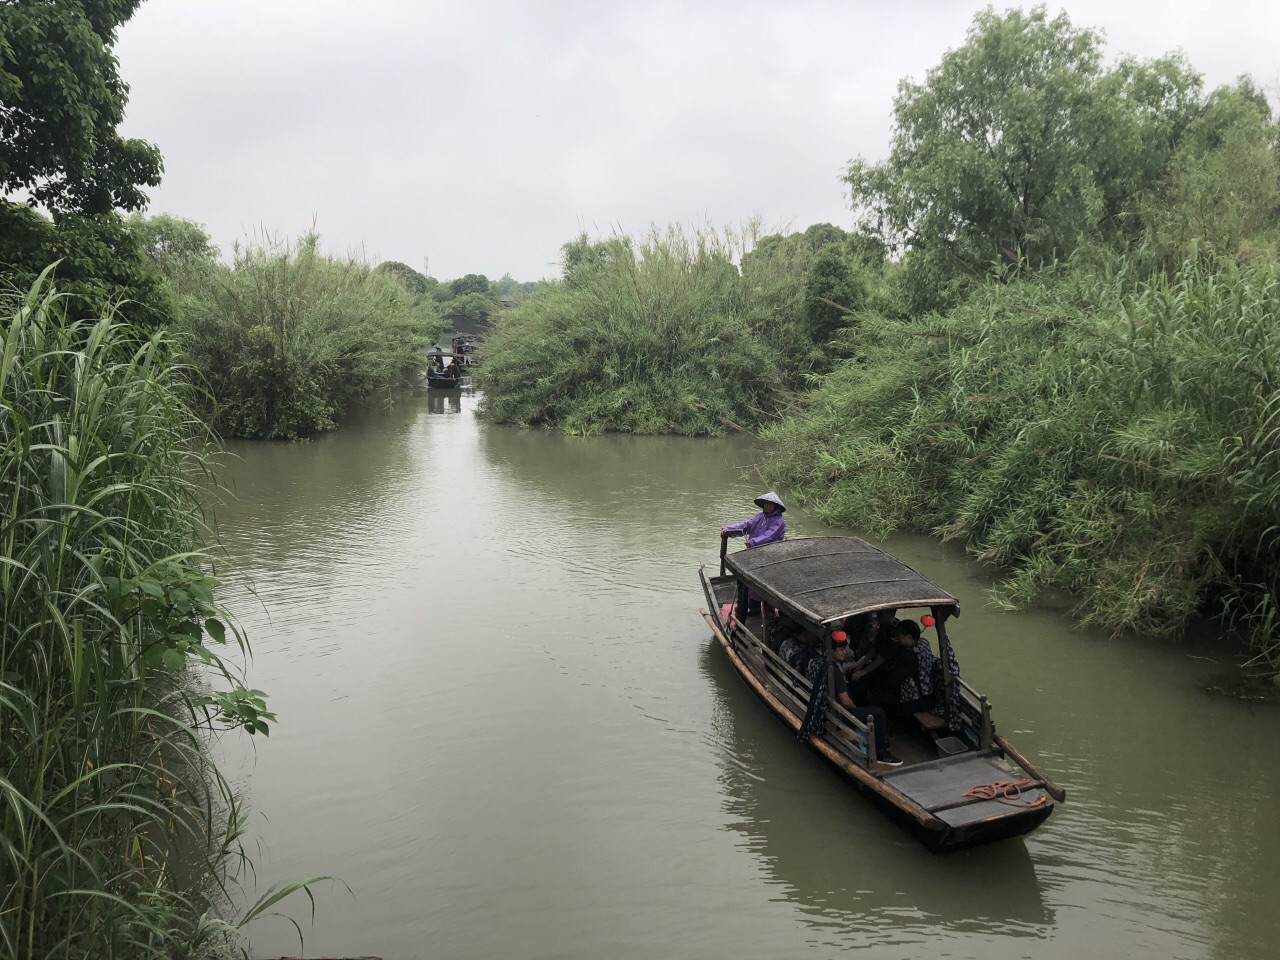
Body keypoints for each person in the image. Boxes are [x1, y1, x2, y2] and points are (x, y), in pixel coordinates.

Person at [794, 630, 901, 766]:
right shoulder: (835, 671)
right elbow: (845, 701)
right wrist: (856, 712)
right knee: (879, 713)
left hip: (824, 706)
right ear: (831, 650)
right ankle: (881, 754)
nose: (845, 652)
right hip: (837, 713)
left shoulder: (817, 660)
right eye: (841, 649)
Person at [721, 492, 786, 618]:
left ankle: (769, 610)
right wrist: (728, 529)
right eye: (766, 504)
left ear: (775, 506)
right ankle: (754, 607)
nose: (768, 506)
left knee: (766, 582)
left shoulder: (779, 521)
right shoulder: (759, 517)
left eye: (770, 504)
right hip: (755, 554)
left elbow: (769, 535)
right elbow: (745, 525)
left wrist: (753, 542)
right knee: (751, 579)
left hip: (771, 555)